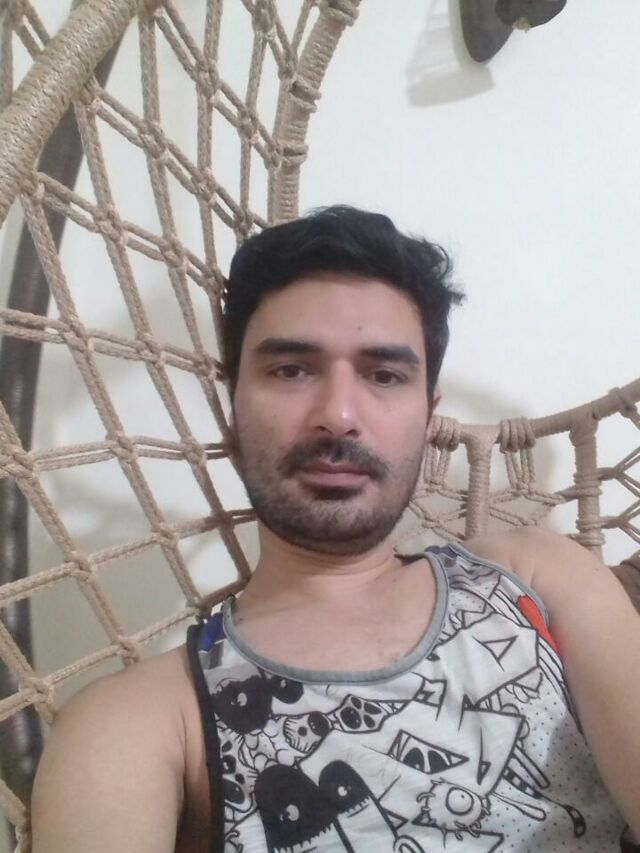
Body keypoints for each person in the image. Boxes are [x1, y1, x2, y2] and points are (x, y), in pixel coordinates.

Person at [31, 206, 640, 852]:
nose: (339, 414)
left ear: (427, 417)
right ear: (232, 408)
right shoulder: (141, 721)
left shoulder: (537, 573)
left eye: (385, 375)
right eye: (291, 369)